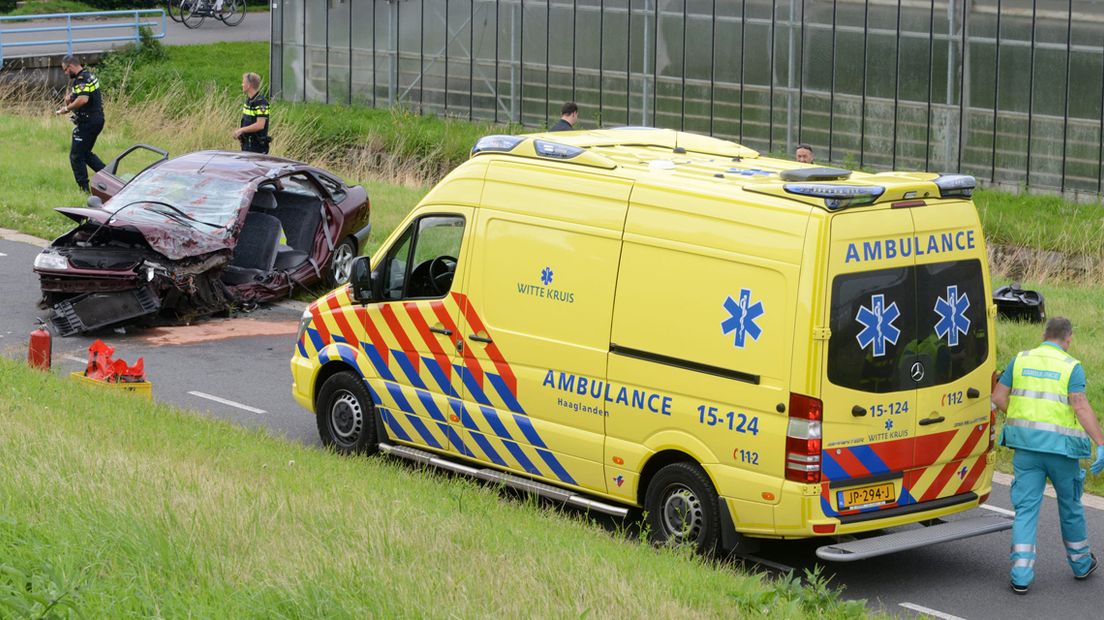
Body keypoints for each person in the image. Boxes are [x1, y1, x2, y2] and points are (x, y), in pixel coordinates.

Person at [992, 316, 1104, 594]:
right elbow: (1079, 406)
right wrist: (1101, 442)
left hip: (1027, 451)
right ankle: (1080, 564)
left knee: (1026, 510)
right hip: (1061, 453)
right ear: (1069, 338)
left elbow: (997, 397)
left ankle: (1020, 573)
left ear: (1044, 334)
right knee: (1070, 506)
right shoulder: (1071, 367)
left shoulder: (1021, 360)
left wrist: (1018, 416)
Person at [55, 56, 105, 193]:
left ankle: (83, 190)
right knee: (86, 154)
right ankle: (109, 177)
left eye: (65, 70)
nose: (66, 73)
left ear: (70, 66)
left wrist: (67, 108)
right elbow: (81, 93)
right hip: (96, 120)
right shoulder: (88, 75)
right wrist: (70, 97)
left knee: (76, 156)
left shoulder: (80, 79)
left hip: (88, 122)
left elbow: (83, 99)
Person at [234, 72, 271, 154]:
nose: (242, 84)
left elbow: (260, 125)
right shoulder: (249, 100)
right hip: (247, 145)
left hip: (257, 147)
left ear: (249, 85)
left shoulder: (261, 103)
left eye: (243, 82)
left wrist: (241, 130)